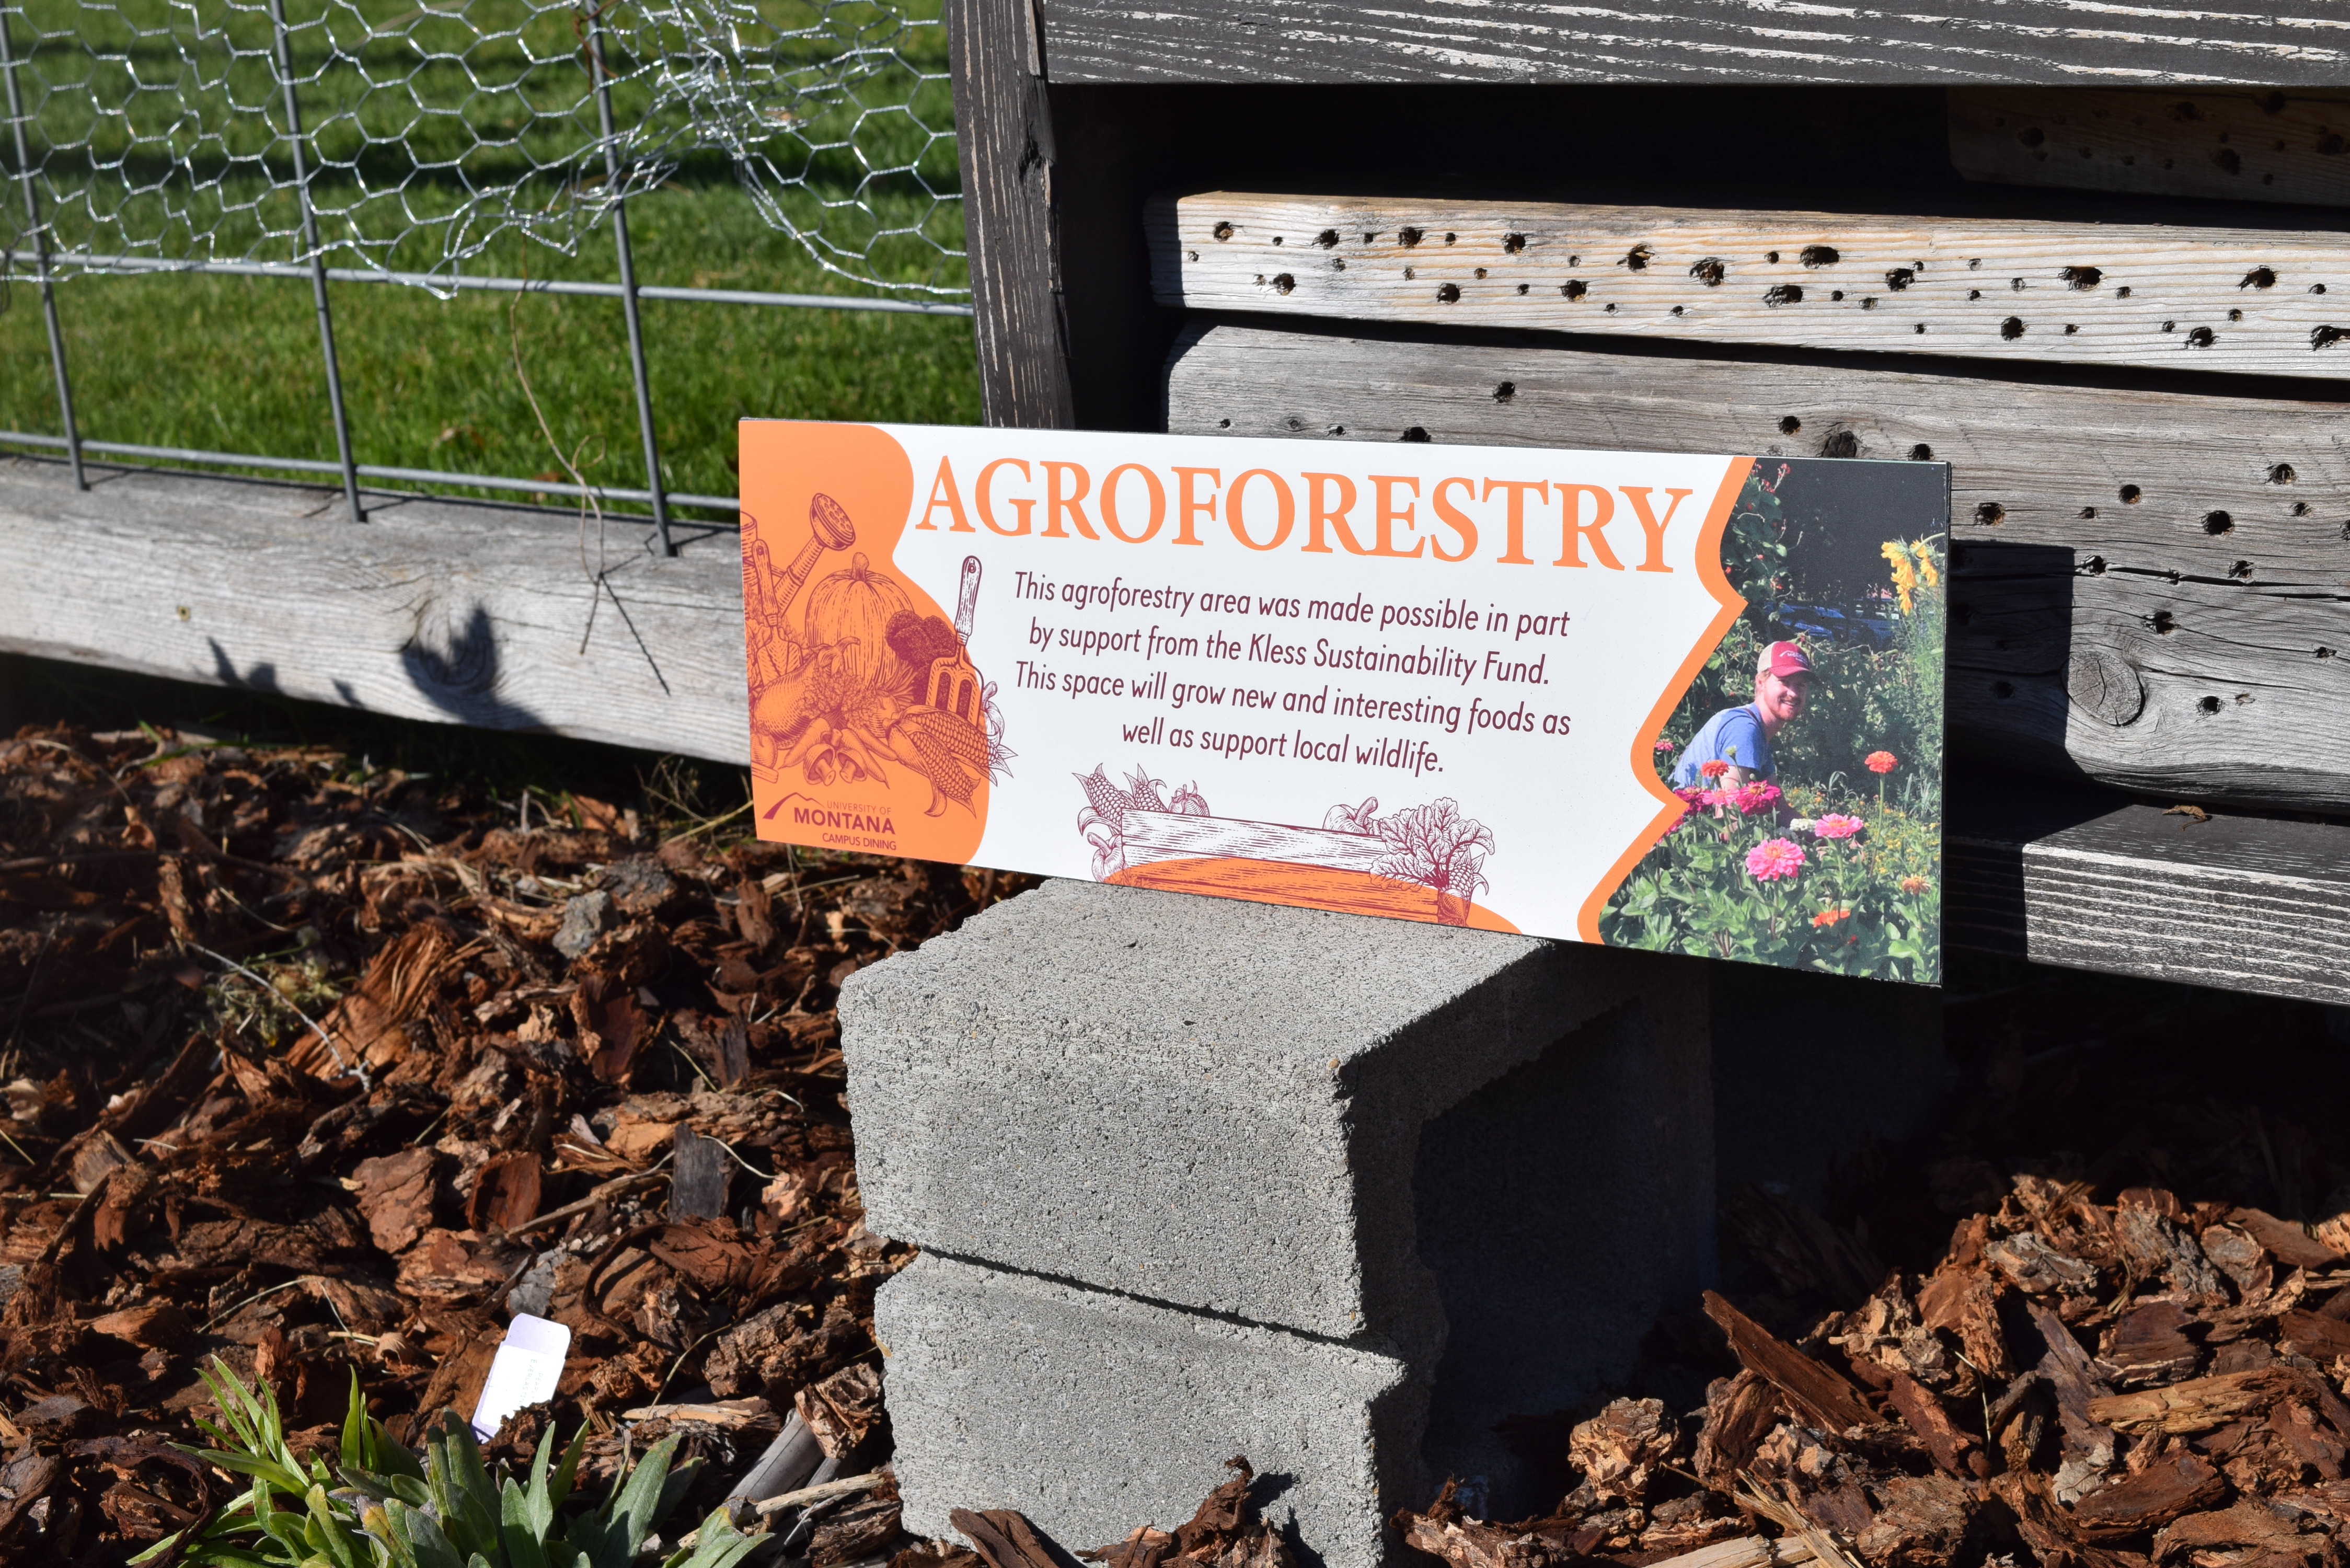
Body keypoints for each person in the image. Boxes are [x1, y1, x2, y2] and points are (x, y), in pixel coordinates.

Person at [1670, 642, 1814, 788]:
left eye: (1801, 685)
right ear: (1761, 682)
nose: (1793, 693)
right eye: (1784, 682)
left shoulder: (1759, 731)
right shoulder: (1743, 728)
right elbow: (1731, 801)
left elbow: (1778, 801)